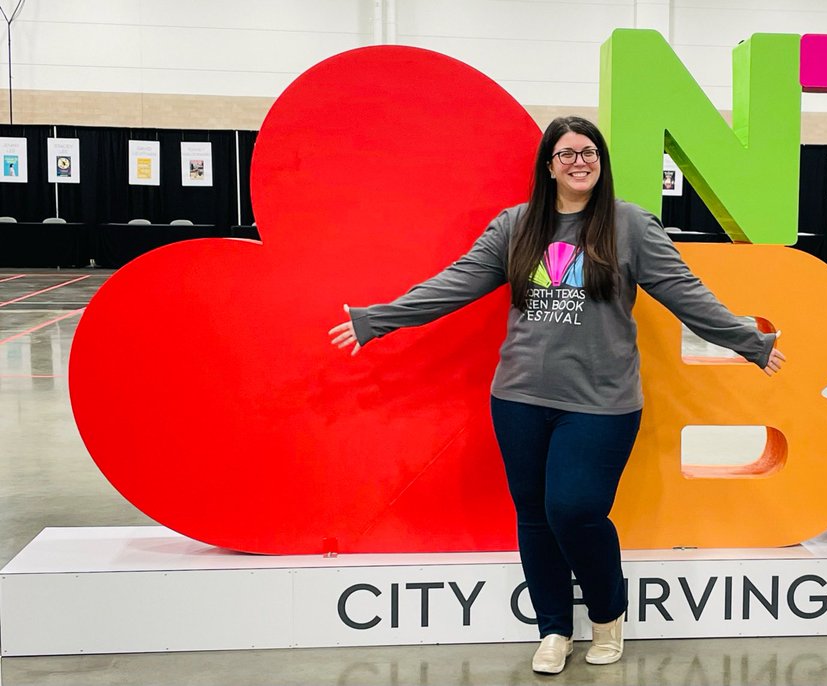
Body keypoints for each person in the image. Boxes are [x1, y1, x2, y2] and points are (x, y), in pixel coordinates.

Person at [329, 116, 785, 675]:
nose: (579, 162)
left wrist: (747, 341)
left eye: (589, 152)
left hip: (602, 402)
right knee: (535, 517)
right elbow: (456, 282)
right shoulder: (516, 226)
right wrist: (379, 319)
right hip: (519, 397)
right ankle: (552, 629)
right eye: (566, 153)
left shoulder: (630, 226)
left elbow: (685, 294)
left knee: (574, 508)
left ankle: (608, 615)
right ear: (549, 165)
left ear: (602, 161)